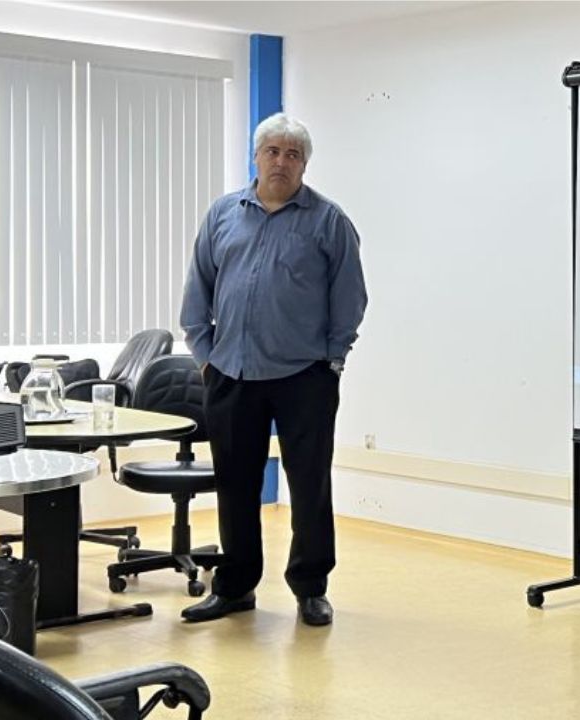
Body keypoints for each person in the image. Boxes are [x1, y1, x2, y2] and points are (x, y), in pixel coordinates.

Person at [179, 112, 368, 626]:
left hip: (304, 377)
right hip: (232, 373)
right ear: (256, 156)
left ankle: (310, 587)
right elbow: (198, 289)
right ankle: (235, 586)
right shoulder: (223, 215)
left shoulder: (328, 221)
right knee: (235, 483)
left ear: (304, 164)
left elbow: (349, 298)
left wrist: (332, 361)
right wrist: (207, 355)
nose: (281, 162)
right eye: (273, 152)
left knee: (308, 485)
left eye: (293, 154)